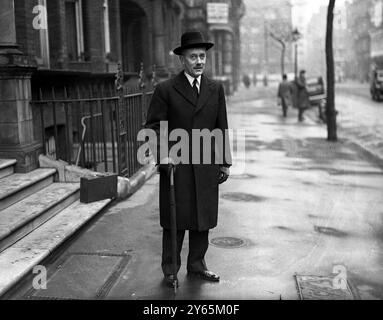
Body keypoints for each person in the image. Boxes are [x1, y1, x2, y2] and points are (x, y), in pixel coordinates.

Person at [145, 31, 232, 288]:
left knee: (202, 216)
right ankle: (171, 269)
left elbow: (220, 127)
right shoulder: (166, 90)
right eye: (193, 56)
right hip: (177, 165)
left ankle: (197, 265)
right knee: (176, 218)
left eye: (202, 56)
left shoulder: (215, 89)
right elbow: (153, 127)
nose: (199, 61)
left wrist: (224, 161)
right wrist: (163, 155)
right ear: (182, 60)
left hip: (205, 163)